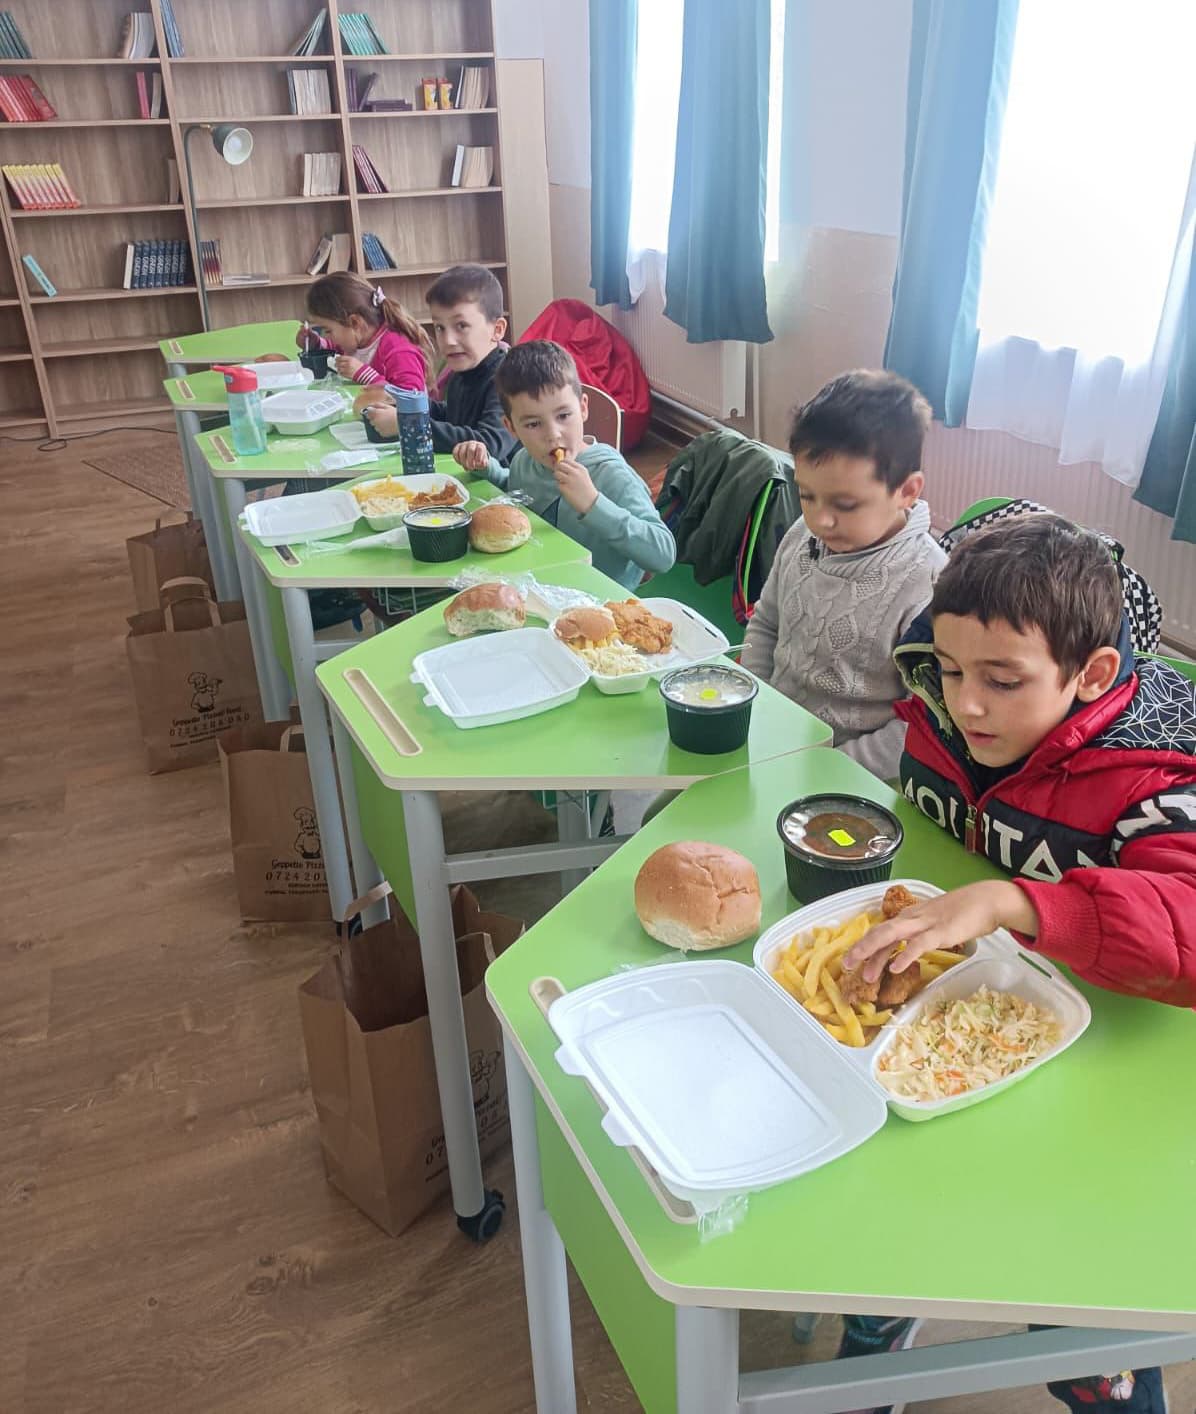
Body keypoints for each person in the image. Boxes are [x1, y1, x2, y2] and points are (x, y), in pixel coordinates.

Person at [838, 514, 1196, 1414]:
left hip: (1113, 1079)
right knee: (876, 1219)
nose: (967, 704)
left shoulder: (1156, 770)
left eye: (1003, 681)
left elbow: (1186, 930)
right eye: (954, 671)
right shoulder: (940, 693)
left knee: (1074, 1298)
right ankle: (874, 1339)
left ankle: (1107, 1382)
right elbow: (925, 824)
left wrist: (1019, 900)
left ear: (1092, 676)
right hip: (958, 1038)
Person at [741, 370, 944, 781]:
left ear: (907, 491)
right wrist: (757, 706)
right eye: (806, 495)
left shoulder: (931, 585)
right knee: (667, 812)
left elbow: (920, 726)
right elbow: (765, 624)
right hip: (769, 743)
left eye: (846, 504)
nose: (820, 519)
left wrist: (825, 768)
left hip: (851, 777)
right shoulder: (802, 535)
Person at [451, 340, 675, 590]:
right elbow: (518, 489)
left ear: (583, 408)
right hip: (540, 587)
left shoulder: (610, 473)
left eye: (563, 416)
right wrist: (485, 467)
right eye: (533, 424)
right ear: (511, 427)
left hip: (602, 604)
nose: (553, 435)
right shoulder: (524, 461)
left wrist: (593, 503)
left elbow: (663, 554)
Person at [365, 263, 517, 463]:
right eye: (439, 328)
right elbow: (454, 415)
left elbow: (489, 444)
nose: (448, 340)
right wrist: (407, 405)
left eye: (461, 326)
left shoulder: (508, 380)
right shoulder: (461, 372)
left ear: (497, 329)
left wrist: (408, 425)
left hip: (501, 489)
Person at [298, 270, 431, 390]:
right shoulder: (357, 339)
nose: (326, 336)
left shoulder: (398, 350)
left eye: (328, 330)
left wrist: (365, 375)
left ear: (355, 323)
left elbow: (413, 399)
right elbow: (338, 348)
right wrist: (316, 343)